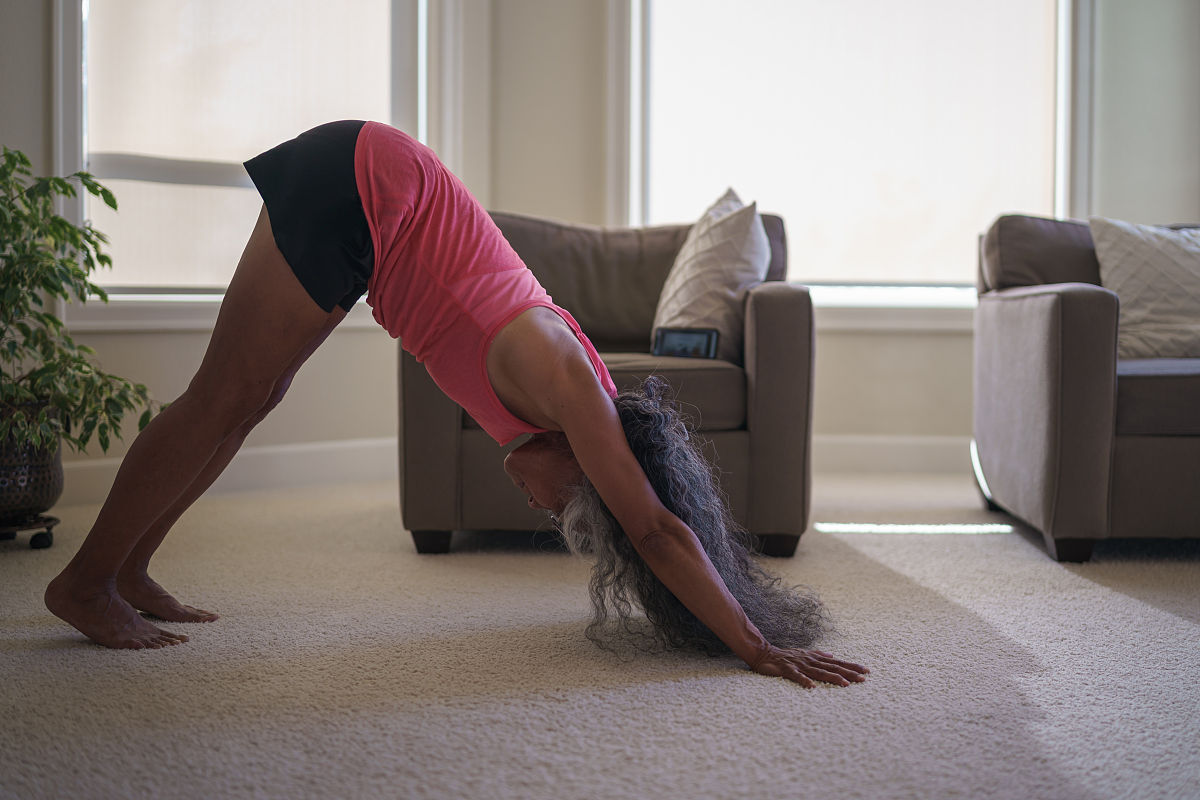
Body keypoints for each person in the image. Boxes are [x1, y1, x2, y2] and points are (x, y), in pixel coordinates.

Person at [44, 121, 868, 688]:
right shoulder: (571, 389)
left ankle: (131, 568)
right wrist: (754, 647)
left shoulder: (566, 402)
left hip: (375, 198)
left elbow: (646, 522)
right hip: (365, 186)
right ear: (582, 459)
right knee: (223, 395)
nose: (546, 509)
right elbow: (654, 528)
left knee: (252, 398)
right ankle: (86, 582)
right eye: (571, 505)